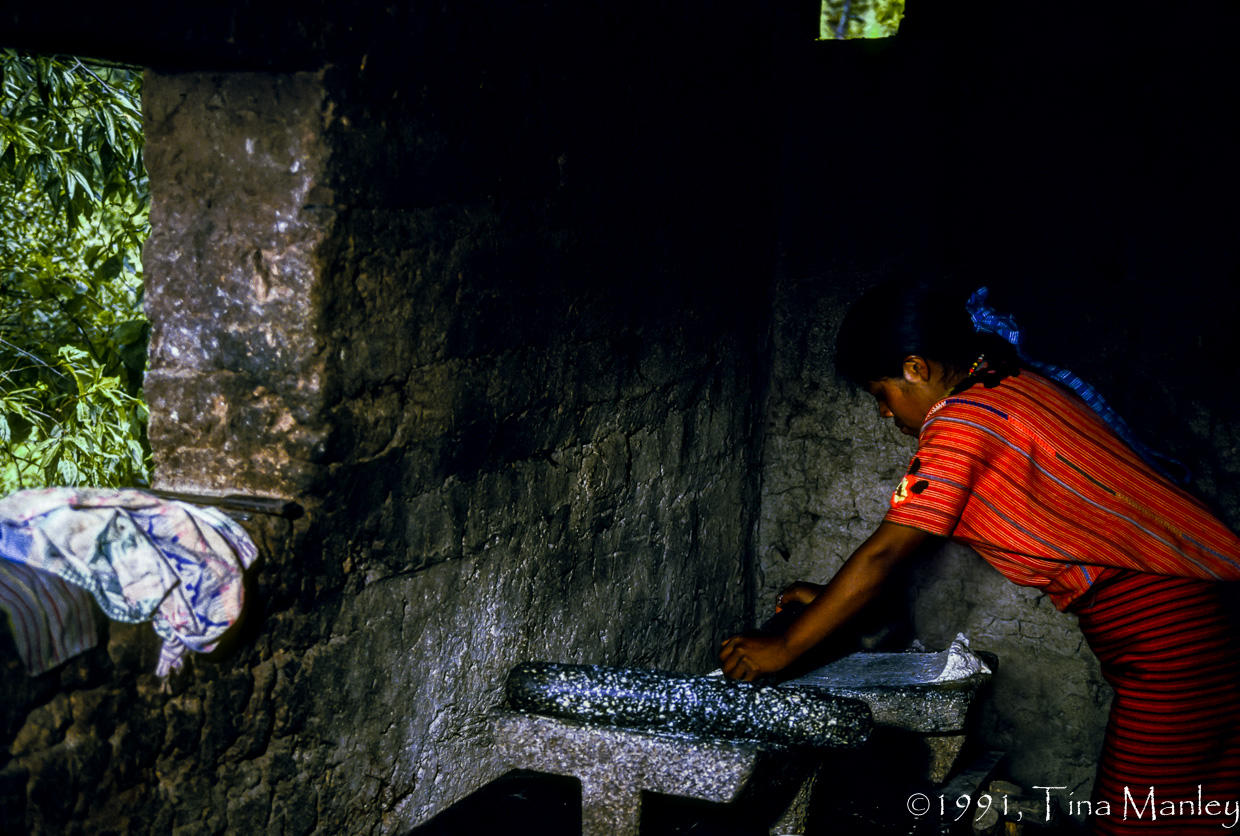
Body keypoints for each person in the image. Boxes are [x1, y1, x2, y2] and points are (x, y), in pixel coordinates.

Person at [719, 279, 1240, 833]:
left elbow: (886, 554)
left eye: (881, 392)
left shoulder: (962, 421)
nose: (883, 413)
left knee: (1137, 819)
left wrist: (782, 648)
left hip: (1168, 638)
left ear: (916, 368)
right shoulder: (1004, 384)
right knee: (1194, 810)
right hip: (1185, 619)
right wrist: (832, 604)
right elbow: (910, 544)